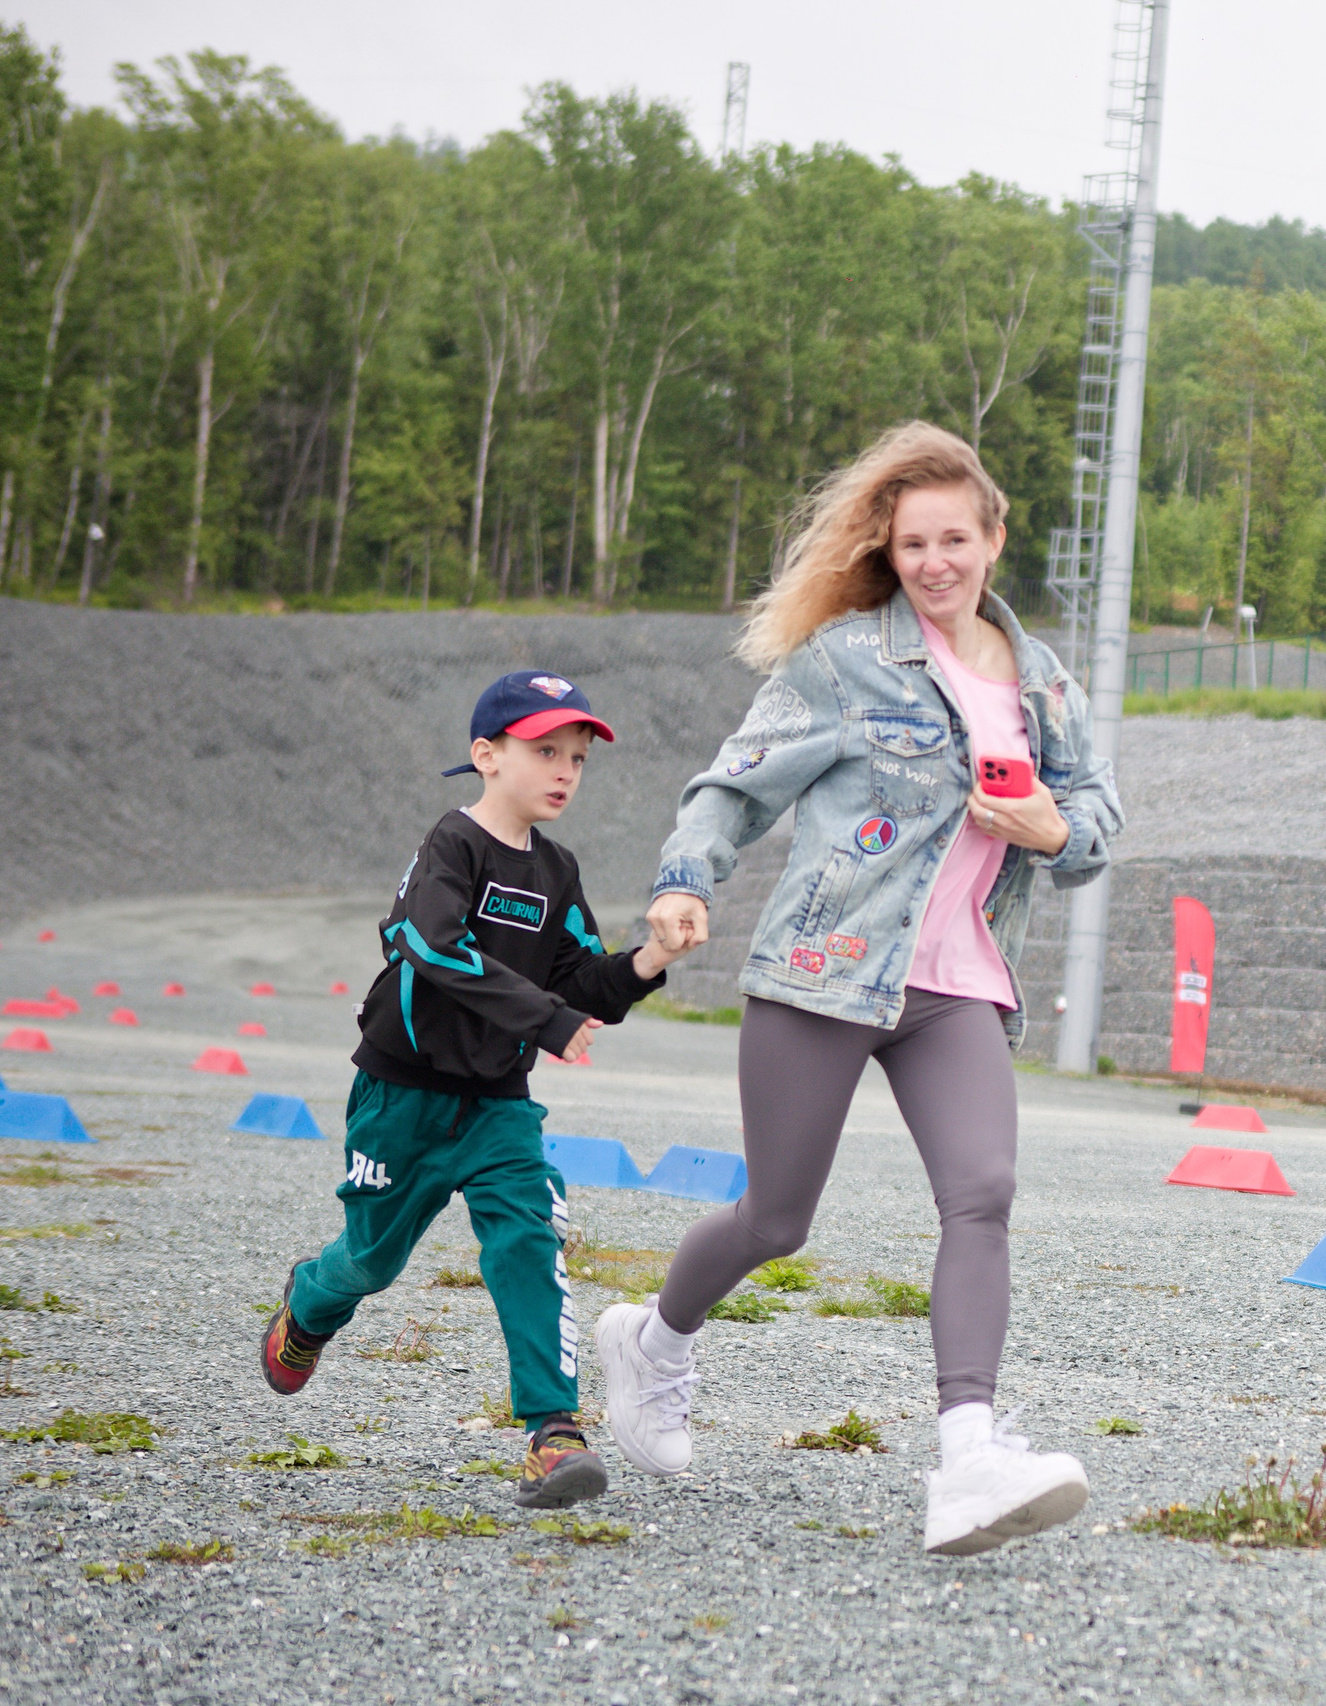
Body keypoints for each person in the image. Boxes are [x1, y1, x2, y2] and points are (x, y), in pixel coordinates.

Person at [598, 420, 1121, 1556]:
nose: (935, 562)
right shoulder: (844, 660)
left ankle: (969, 1455)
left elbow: (1096, 819)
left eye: (954, 540)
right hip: (824, 971)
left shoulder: (1046, 683)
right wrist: (685, 881)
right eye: (912, 543)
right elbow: (731, 788)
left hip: (958, 984)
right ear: (889, 550)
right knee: (776, 1218)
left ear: (993, 536)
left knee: (982, 1193)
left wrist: (1055, 825)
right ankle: (652, 1339)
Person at [259, 671, 700, 1508]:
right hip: (402, 1099)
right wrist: (542, 1017)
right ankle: (309, 1304)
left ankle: (552, 1433)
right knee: (372, 1260)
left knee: (529, 1241)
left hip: (499, 1106)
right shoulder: (449, 847)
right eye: (545, 752)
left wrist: (650, 960)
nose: (564, 770)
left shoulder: (558, 871)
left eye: (576, 757)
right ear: (486, 756)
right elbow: (433, 947)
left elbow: (582, 984)